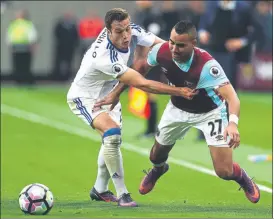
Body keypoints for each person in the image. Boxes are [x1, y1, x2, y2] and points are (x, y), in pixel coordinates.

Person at [66, 9, 197, 207]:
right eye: (119, 31)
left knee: (112, 141)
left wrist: (189, 56)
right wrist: (179, 91)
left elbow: (161, 45)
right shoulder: (104, 57)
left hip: (109, 93)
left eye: (127, 29)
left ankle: (99, 189)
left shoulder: (132, 30)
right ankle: (123, 194)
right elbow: (142, 83)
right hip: (86, 97)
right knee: (112, 134)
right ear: (108, 31)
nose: (126, 35)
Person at [136, 20, 260, 204]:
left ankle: (243, 178)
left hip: (210, 113)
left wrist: (233, 123)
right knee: (155, 156)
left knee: (224, 172)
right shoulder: (160, 51)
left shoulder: (208, 67)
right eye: (171, 42)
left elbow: (233, 97)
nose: (174, 49)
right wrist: (119, 88)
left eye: (180, 45)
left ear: (193, 44)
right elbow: (140, 70)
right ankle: (158, 169)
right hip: (177, 109)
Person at [6, 9, 38, 85]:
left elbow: (9, 37)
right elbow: (33, 36)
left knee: (21, 65)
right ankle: (22, 81)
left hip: (23, 47)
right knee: (23, 65)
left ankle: (21, 81)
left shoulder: (14, 24)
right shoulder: (26, 24)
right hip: (20, 47)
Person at [52, 11, 79, 81]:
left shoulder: (73, 26)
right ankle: (57, 77)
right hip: (61, 46)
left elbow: (76, 36)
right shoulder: (60, 24)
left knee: (69, 62)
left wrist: (74, 44)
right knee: (58, 62)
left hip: (70, 47)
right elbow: (56, 34)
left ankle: (67, 77)